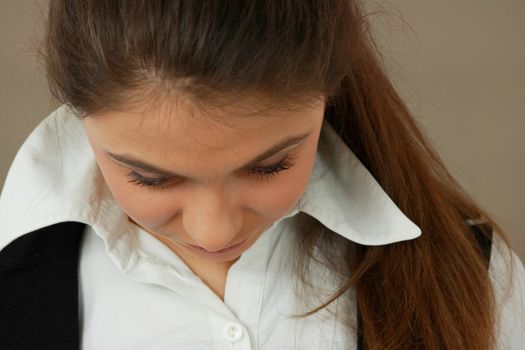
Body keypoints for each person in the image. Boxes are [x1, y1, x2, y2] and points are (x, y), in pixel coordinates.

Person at [0, 1, 524, 349]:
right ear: (78, 113)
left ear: (327, 95)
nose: (215, 231)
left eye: (271, 165)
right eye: (150, 178)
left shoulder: (472, 275)